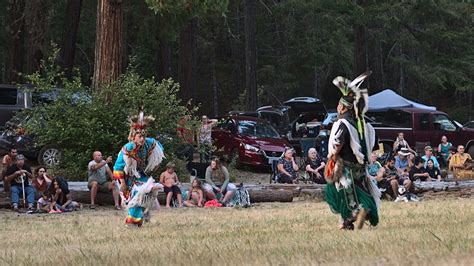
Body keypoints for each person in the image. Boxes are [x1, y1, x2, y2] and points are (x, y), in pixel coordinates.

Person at [324, 72, 380, 230]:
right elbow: (375, 147)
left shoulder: (343, 123)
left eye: (338, 105)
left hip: (345, 167)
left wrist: (333, 158)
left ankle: (356, 213)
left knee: (340, 195)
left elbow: (338, 144)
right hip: (361, 168)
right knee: (360, 192)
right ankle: (347, 222)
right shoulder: (365, 124)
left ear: (342, 107)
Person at [113, 111, 165, 227]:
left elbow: (159, 147)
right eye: (140, 136)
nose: (142, 139)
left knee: (147, 192)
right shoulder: (129, 147)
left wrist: (156, 162)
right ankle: (132, 222)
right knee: (137, 194)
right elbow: (117, 166)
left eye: (144, 136)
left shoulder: (148, 144)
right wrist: (122, 183)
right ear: (133, 137)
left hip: (140, 175)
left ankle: (142, 216)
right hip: (126, 177)